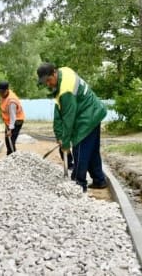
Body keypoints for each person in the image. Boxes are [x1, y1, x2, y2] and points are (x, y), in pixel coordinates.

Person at [37, 62, 108, 192]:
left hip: (87, 117)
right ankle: (99, 180)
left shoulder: (66, 90)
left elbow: (68, 119)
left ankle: (78, 184)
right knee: (92, 152)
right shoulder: (63, 72)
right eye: (45, 82)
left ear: (54, 73)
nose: (48, 84)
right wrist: (59, 136)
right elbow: (59, 111)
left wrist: (65, 143)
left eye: (49, 80)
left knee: (79, 150)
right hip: (94, 111)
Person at [0, 81, 25, 155]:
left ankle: (12, 158)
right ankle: (10, 158)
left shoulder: (11, 101)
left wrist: (10, 129)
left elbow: (13, 117)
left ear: (7, 90)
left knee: (11, 141)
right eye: (0, 92)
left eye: (3, 92)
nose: (1, 94)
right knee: (7, 141)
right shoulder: (3, 94)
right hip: (8, 121)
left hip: (17, 121)